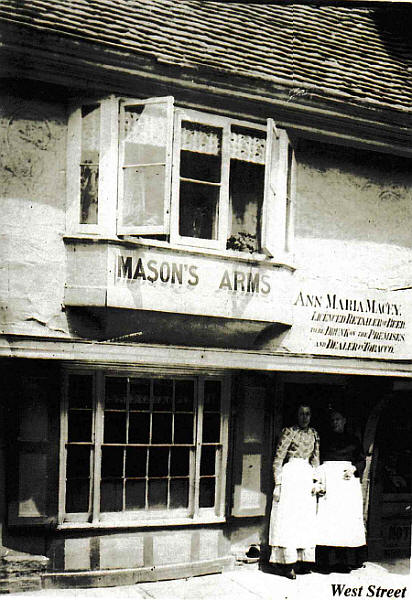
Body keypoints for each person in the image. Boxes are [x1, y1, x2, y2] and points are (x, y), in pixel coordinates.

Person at [268, 404, 320, 579]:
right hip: (291, 475)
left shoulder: (314, 434)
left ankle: (301, 561)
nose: (304, 417)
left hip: (306, 476)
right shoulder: (289, 431)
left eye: (308, 414)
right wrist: (279, 484)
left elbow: (316, 460)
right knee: (288, 519)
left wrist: (316, 480)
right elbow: (278, 459)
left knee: (303, 519)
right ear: (296, 415)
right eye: (301, 414)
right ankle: (286, 563)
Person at [316, 409, 367, 573]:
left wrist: (353, 469)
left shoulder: (353, 440)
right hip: (329, 483)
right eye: (333, 420)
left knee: (345, 520)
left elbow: (361, 460)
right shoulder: (323, 439)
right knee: (329, 520)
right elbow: (316, 459)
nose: (335, 423)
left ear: (344, 421)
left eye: (338, 419)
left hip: (346, 485)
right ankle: (327, 562)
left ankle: (346, 561)